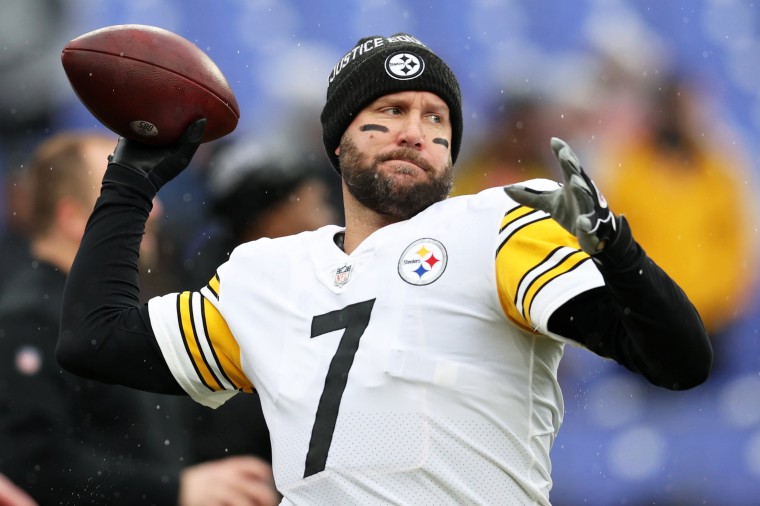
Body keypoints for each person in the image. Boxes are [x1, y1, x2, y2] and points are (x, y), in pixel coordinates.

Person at [56, 33, 712, 505]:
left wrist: (615, 247)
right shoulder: (264, 273)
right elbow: (95, 338)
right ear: (337, 138)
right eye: (389, 112)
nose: (414, 131)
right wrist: (132, 180)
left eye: (435, 118)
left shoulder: (495, 228)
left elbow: (677, 362)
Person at [0, 132, 278, 506]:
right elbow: (32, 465)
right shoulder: (25, 318)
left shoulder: (123, 305)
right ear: (71, 217)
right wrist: (175, 489)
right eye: (120, 192)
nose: (156, 209)